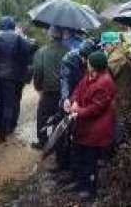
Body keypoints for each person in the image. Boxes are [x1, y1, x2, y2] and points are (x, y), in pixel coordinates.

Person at [66, 50, 116, 201]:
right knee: (78, 155)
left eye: (88, 62)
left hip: (96, 130)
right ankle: (79, 182)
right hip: (83, 126)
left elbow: (96, 108)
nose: (85, 63)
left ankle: (90, 191)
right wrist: (73, 101)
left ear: (94, 66)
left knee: (90, 161)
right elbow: (77, 89)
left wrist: (77, 112)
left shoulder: (105, 82)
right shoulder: (88, 76)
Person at [0, 16, 34, 142]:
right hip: (14, 77)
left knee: (0, 101)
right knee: (11, 103)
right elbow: (28, 53)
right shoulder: (19, 38)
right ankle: (6, 129)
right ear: (12, 25)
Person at [53, 39, 100, 172]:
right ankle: (61, 164)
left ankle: (75, 168)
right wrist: (66, 98)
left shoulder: (95, 59)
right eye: (82, 58)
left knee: (80, 134)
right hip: (69, 98)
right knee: (62, 132)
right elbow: (64, 79)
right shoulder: (69, 58)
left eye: (87, 59)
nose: (84, 61)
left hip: (83, 100)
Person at [31, 26, 68, 150]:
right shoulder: (68, 51)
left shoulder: (43, 51)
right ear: (62, 36)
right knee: (60, 117)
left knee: (42, 117)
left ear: (51, 36)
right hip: (64, 92)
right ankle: (57, 144)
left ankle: (42, 142)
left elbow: (38, 71)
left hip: (48, 90)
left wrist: (38, 87)